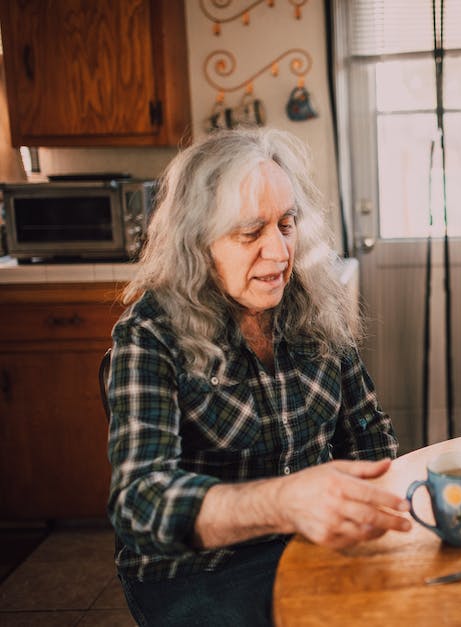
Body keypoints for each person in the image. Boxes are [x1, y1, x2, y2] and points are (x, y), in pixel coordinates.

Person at [106, 128, 412, 626]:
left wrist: (384, 514)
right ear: (196, 241)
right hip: (199, 573)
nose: (279, 253)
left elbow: (369, 436)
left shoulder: (317, 302)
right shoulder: (150, 332)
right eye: (250, 233)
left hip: (312, 547)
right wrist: (284, 503)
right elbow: (140, 503)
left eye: (286, 224)